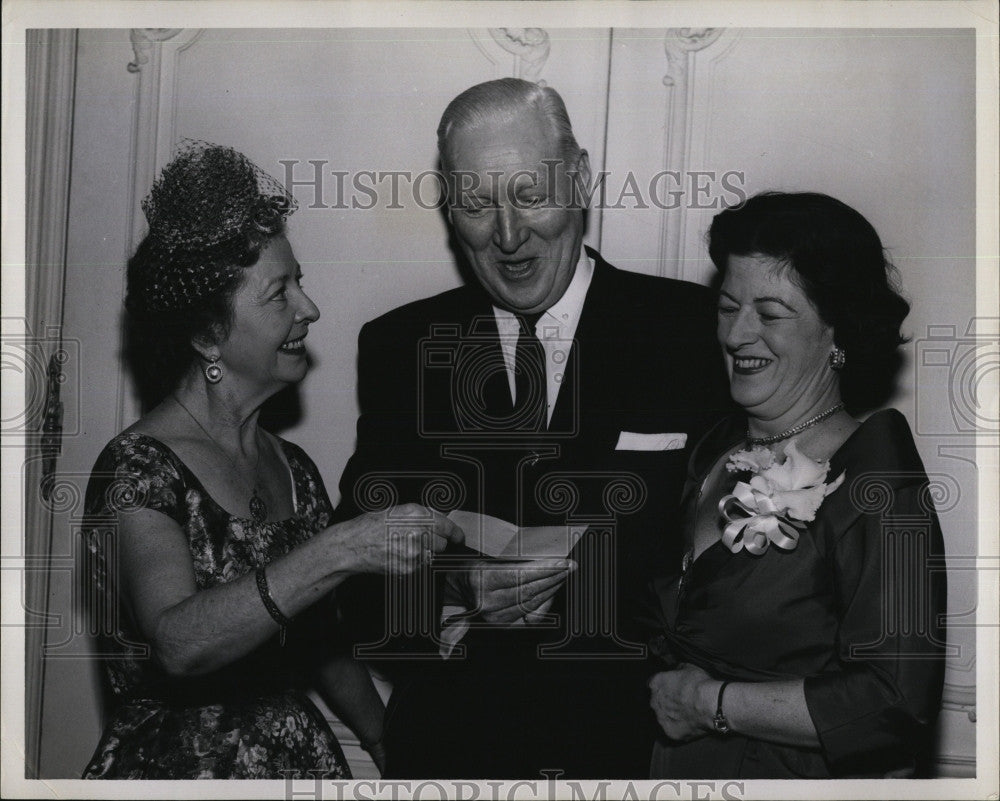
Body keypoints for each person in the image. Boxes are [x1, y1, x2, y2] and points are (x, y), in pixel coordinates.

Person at [333, 79, 732, 778]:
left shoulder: (691, 331)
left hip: (633, 757)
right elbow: (354, 577)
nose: (509, 236)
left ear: (578, 178)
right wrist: (457, 589)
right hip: (451, 755)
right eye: (478, 204)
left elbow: (736, 575)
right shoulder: (401, 346)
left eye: (528, 195)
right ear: (449, 206)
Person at [81, 143, 462, 780]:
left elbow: (321, 646)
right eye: (278, 294)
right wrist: (338, 551)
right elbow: (177, 643)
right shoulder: (137, 470)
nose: (308, 309)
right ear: (207, 336)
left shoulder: (295, 469)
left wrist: (389, 744)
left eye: (300, 283)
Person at [647, 191, 947, 779]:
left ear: (838, 333)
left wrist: (710, 705)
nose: (737, 335)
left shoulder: (878, 474)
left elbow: (896, 700)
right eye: (728, 306)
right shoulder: (712, 450)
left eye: (771, 313)